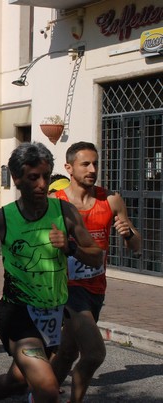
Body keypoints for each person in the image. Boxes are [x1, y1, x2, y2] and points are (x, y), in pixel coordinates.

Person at [0, 142, 103, 403]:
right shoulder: (1, 218)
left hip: (53, 313)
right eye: (33, 177)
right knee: (47, 389)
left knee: (18, 380)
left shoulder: (65, 212)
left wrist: (71, 247)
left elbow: (96, 255)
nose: (42, 184)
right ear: (17, 179)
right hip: (17, 312)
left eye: (46, 176)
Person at [51, 142, 141, 403]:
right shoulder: (55, 203)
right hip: (66, 289)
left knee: (68, 352)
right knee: (93, 354)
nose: (92, 169)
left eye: (95, 164)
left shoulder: (110, 200)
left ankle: (40, 396)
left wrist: (129, 234)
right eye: (85, 164)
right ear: (69, 168)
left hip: (96, 288)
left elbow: (136, 247)